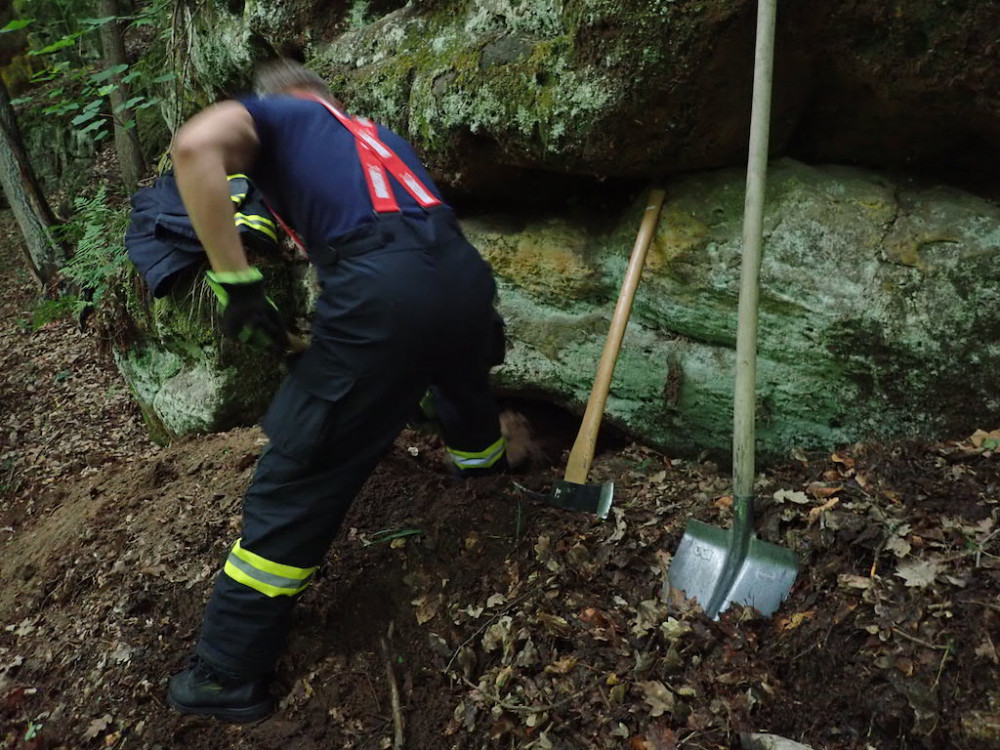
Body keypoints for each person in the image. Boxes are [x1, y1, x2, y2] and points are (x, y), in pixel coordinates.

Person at [165, 58, 508, 722]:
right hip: (462, 275)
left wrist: (236, 286)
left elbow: (194, 147)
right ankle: (484, 478)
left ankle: (227, 672)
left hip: (384, 287)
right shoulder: (374, 136)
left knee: (299, 471)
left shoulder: (277, 114)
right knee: (460, 379)